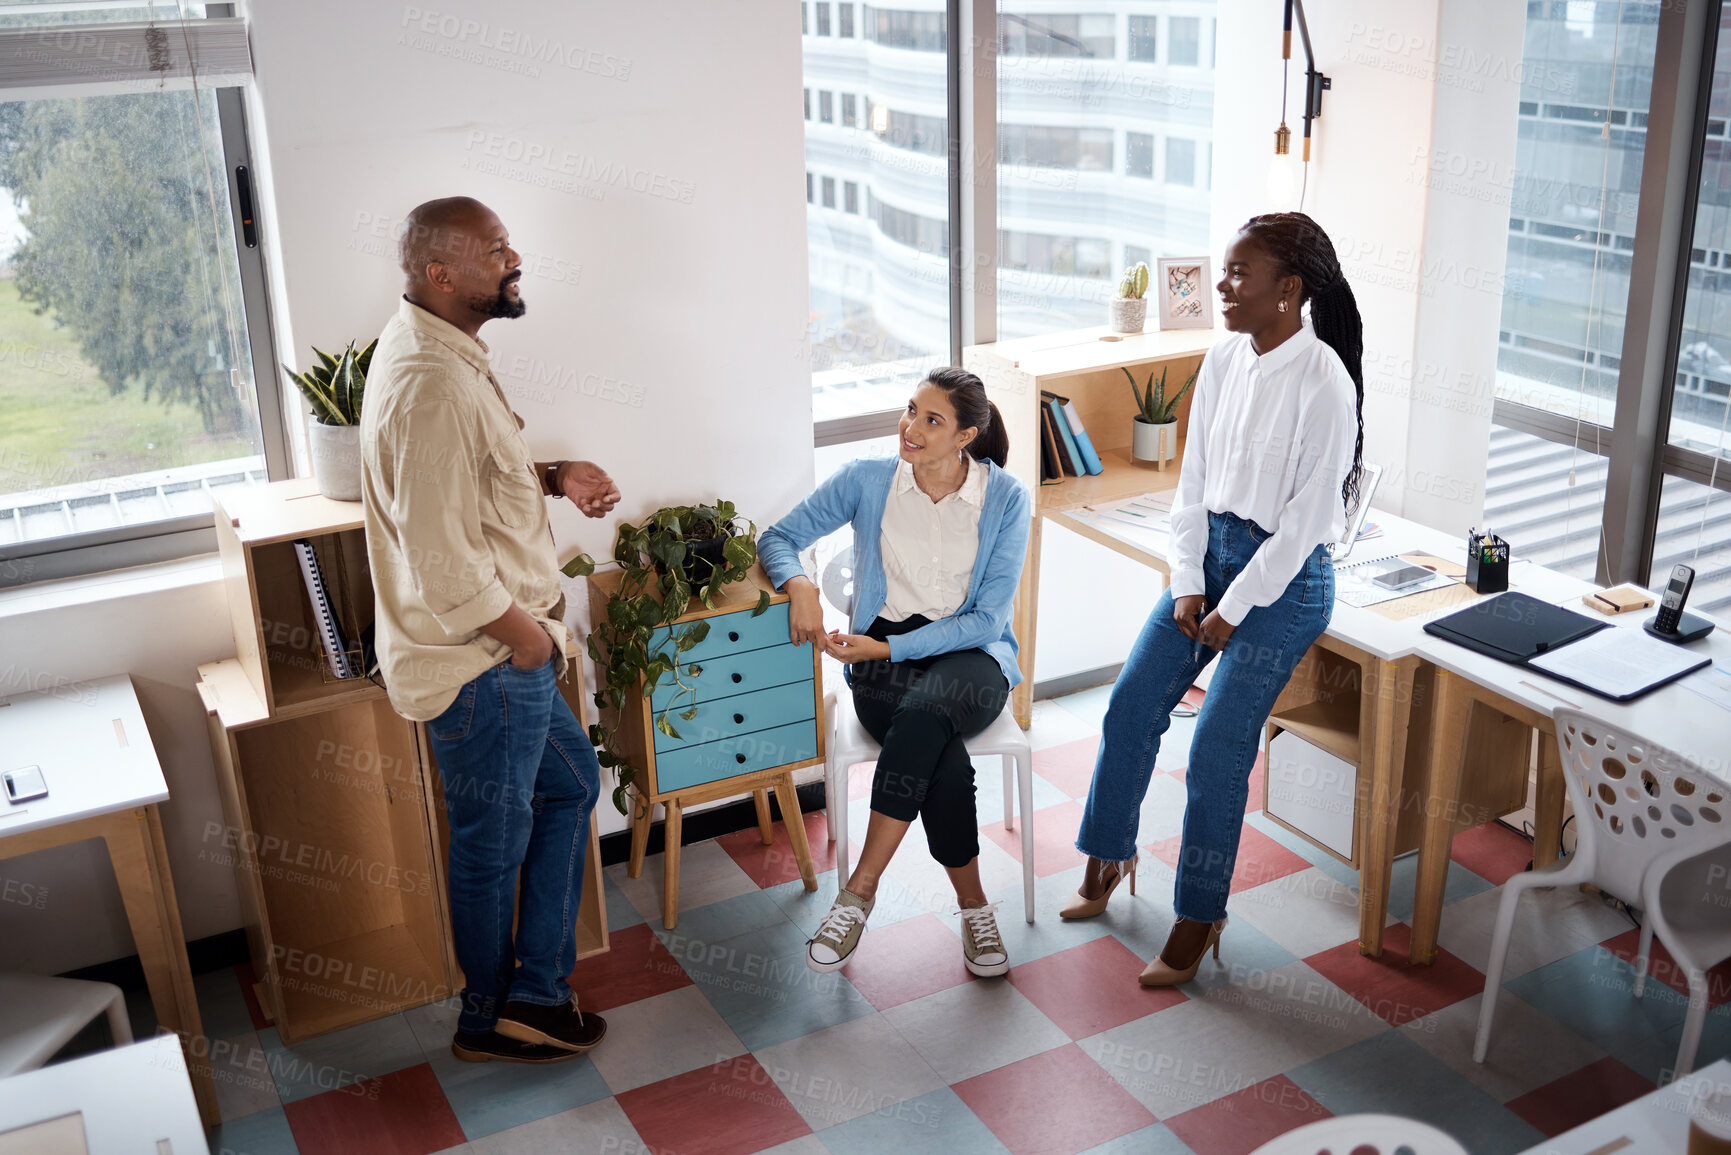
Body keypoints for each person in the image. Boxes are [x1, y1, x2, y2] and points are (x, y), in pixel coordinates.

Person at [1065, 211, 1365, 987]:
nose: (1222, 287)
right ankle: (1109, 851)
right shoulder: (1224, 357)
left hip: (1284, 585)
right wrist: (1190, 581)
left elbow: (1304, 526)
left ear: (1287, 290)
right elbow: (1191, 482)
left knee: (1217, 747)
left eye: (1238, 274)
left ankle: (1199, 913)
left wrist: (1234, 605)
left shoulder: (1324, 382)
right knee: (1130, 704)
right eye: (1224, 271)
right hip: (1211, 562)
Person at [361, 196, 623, 1063]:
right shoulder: (429, 383)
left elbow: (465, 483)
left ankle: (533, 996)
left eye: (510, 243)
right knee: (492, 844)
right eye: (494, 250)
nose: (515, 259)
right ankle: (489, 1015)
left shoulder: (439, 350)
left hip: (500, 656)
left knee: (569, 786)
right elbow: (443, 562)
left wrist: (551, 476)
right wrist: (528, 639)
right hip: (483, 661)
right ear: (441, 273)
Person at [758, 367, 1031, 977]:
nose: (910, 428)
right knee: (943, 759)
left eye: (932, 420)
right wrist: (799, 583)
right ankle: (975, 908)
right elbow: (779, 538)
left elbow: (987, 619)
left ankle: (857, 894)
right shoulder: (867, 479)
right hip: (881, 652)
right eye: (910, 411)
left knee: (930, 713)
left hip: (971, 657)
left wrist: (883, 654)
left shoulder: (1005, 497)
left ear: (965, 436)